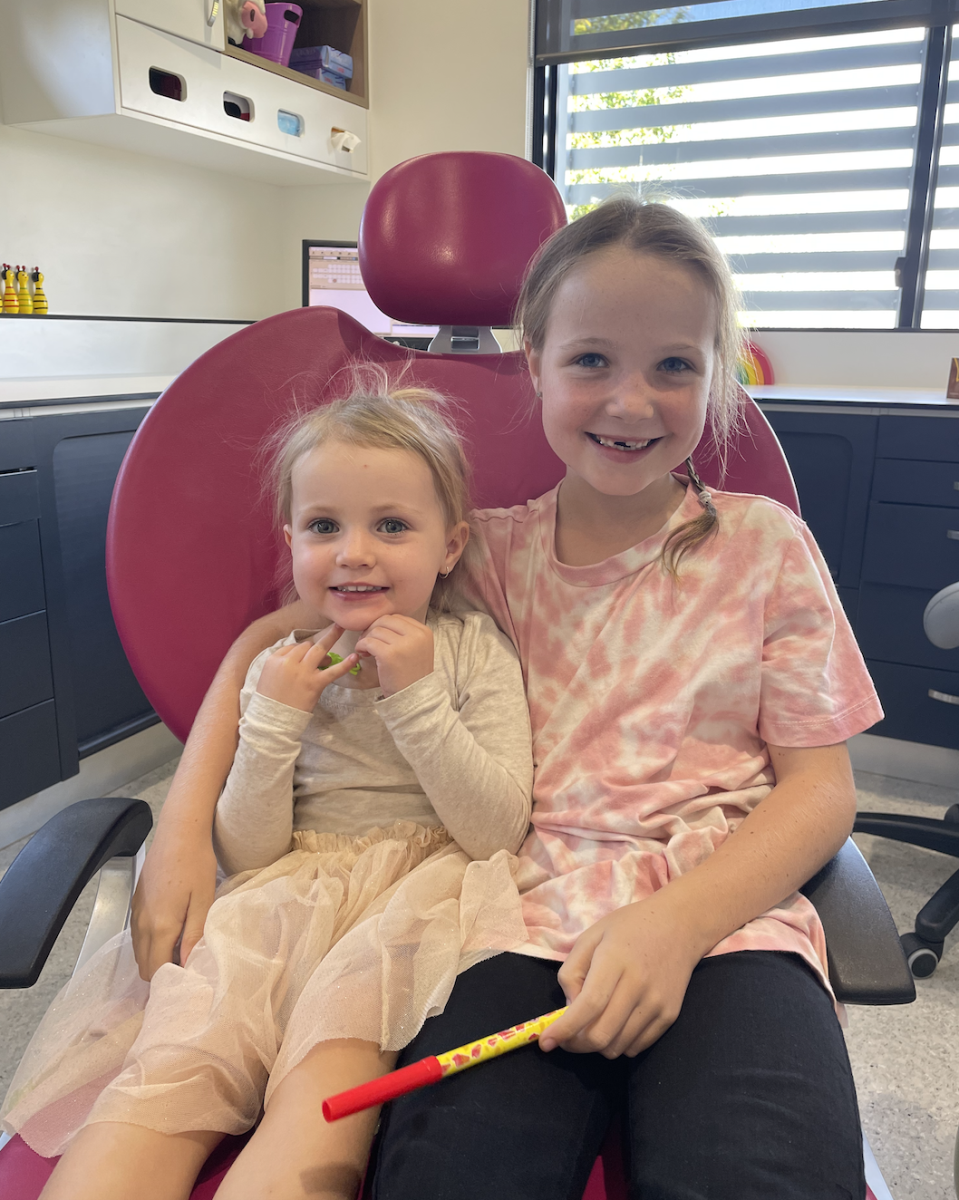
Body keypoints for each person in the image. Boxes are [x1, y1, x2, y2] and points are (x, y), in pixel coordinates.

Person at [126, 197, 878, 1199]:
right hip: (507, 921)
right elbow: (273, 640)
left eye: (672, 366)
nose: (629, 401)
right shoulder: (479, 551)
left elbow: (820, 792)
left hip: (722, 925)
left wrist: (674, 926)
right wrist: (182, 825)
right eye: (589, 361)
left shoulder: (764, 547)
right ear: (534, 367)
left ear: (716, 375)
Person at [2, 386, 534, 1200]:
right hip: (282, 893)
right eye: (325, 526)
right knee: (172, 1064)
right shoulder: (273, 667)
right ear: (290, 541)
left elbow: (495, 829)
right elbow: (250, 851)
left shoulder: (469, 653)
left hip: (414, 899)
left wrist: (418, 699)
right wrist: (276, 719)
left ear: (451, 545)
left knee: (325, 1076)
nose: (353, 552)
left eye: (391, 525)